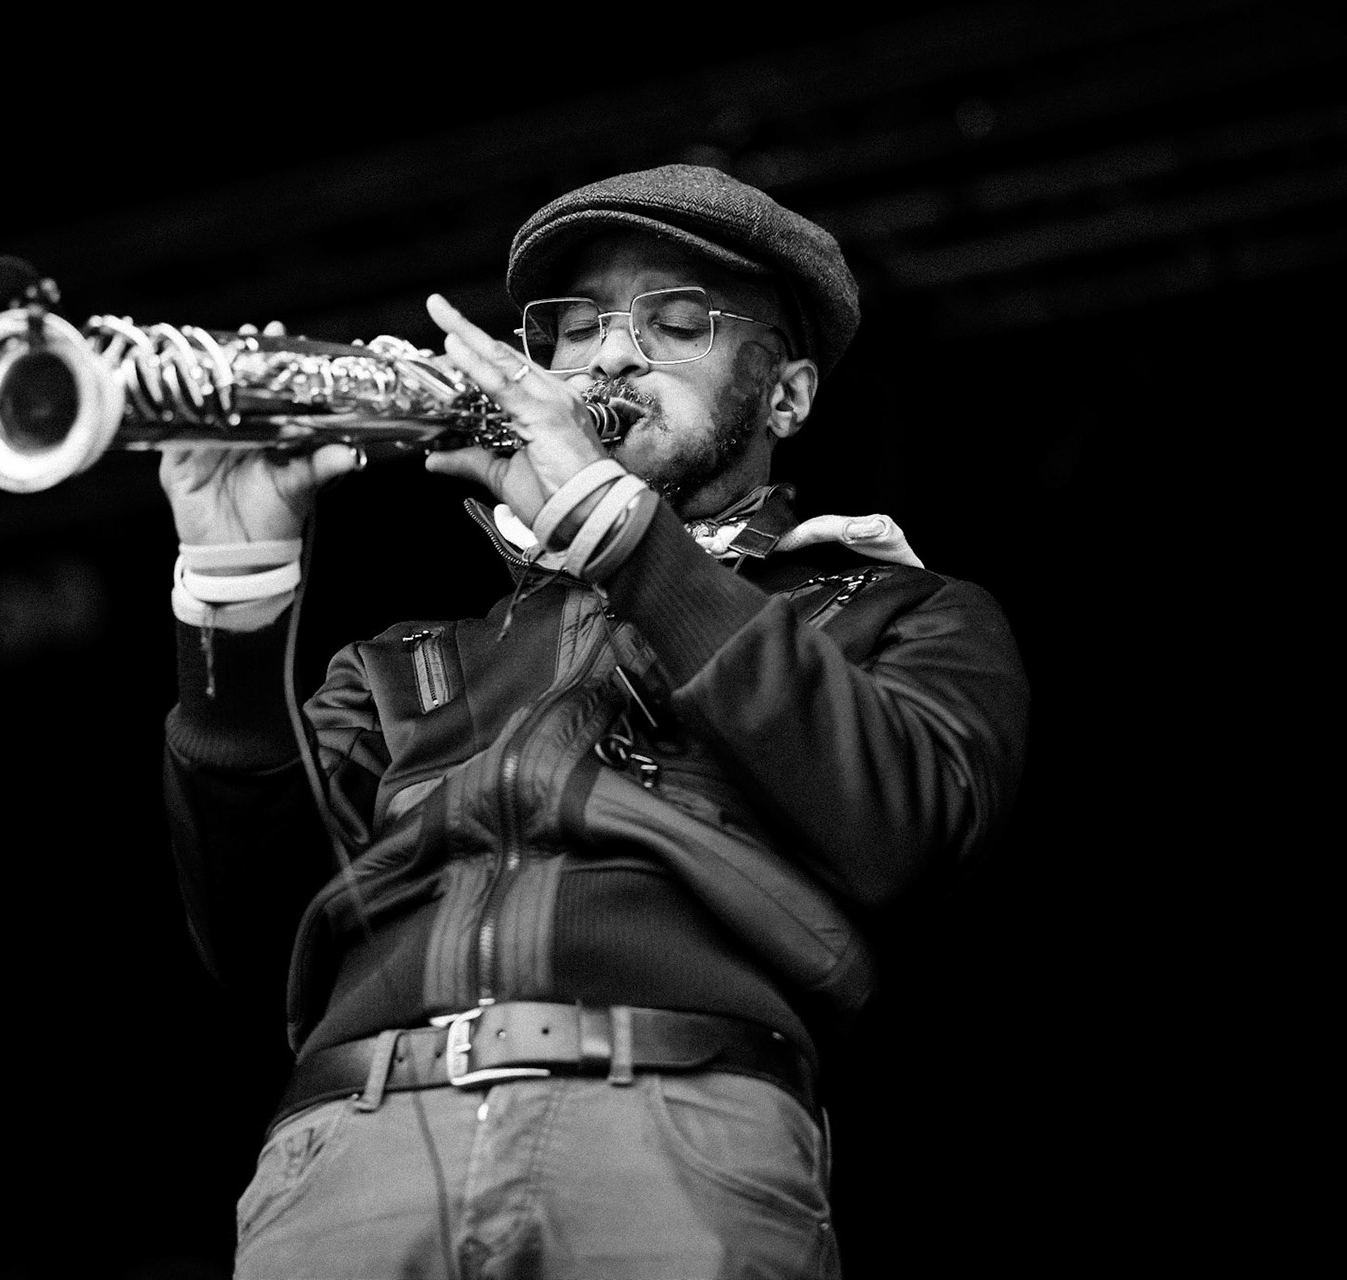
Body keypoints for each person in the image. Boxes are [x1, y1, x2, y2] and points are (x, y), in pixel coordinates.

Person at [156, 164, 1030, 1279]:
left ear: (789, 396)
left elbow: (906, 826)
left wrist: (623, 537)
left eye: (676, 321)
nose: (611, 356)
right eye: (573, 328)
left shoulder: (900, 609)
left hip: (672, 1129)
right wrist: (236, 589)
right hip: (350, 1151)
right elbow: (251, 939)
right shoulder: (402, 661)